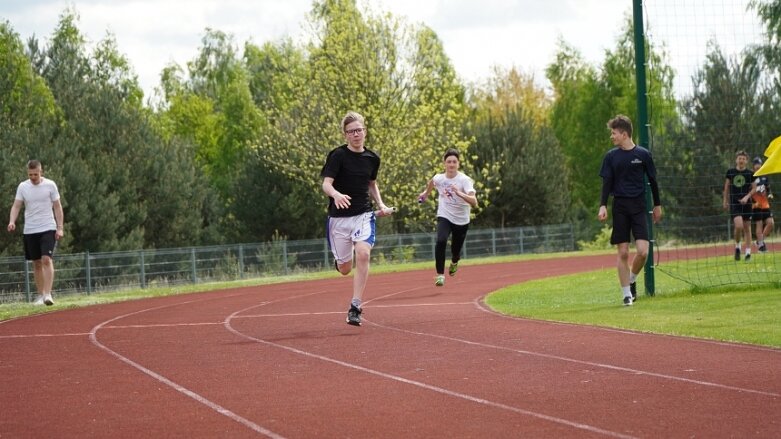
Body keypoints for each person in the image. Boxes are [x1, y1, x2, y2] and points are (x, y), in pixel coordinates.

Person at [321, 111, 391, 326]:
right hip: (339, 220)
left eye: (359, 130)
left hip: (363, 214)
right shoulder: (338, 156)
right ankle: (340, 262)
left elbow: (372, 183)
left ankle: (355, 306)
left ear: (365, 132)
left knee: (362, 254)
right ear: (345, 135)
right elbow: (326, 184)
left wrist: (380, 204)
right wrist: (336, 195)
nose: (356, 134)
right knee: (345, 269)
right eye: (351, 132)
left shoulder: (373, 158)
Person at [598, 115, 662, 306]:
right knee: (624, 252)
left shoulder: (643, 155)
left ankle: (632, 279)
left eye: (614, 133)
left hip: (639, 207)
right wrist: (603, 205)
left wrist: (657, 205)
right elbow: (606, 183)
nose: (612, 137)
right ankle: (626, 295)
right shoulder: (610, 157)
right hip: (620, 208)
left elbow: (653, 181)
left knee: (643, 252)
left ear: (624, 134)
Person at [7, 160, 65, 306]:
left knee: (46, 259)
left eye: (35, 174)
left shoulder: (50, 185)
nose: (33, 177)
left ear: (41, 172)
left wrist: (60, 227)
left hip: (48, 227)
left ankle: (47, 294)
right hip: (30, 229)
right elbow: (16, 206)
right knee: (37, 263)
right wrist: (12, 221)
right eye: (30, 174)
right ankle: (40, 295)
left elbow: (57, 207)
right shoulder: (23, 186)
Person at [418, 148, 477, 286]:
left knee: (455, 251)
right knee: (441, 240)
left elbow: (474, 202)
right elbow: (432, 182)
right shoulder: (439, 178)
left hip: (461, 220)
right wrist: (425, 193)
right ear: (444, 163)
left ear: (458, 164)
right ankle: (440, 275)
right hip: (444, 215)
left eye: (454, 162)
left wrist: (459, 193)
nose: (451, 164)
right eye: (449, 162)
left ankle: (455, 262)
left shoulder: (465, 180)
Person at [723, 150, 755, 261]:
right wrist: (725, 201)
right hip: (735, 203)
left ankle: (748, 253)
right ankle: (737, 247)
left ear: (746, 161)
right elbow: (726, 187)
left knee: (747, 228)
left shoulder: (750, 173)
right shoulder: (730, 172)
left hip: (747, 203)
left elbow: (755, 188)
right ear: (736, 160)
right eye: (739, 158)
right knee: (738, 226)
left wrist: (747, 197)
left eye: (743, 159)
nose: (741, 160)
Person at [751, 156, 774, 253]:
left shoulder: (765, 176)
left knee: (771, 223)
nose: (758, 166)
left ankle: (760, 241)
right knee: (759, 224)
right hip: (755, 205)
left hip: (765, 205)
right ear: (753, 166)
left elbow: (768, 188)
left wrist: (770, 194)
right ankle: (761, 247)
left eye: (759, 164)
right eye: (756, 164)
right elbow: (749, 191)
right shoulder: (751, 176)